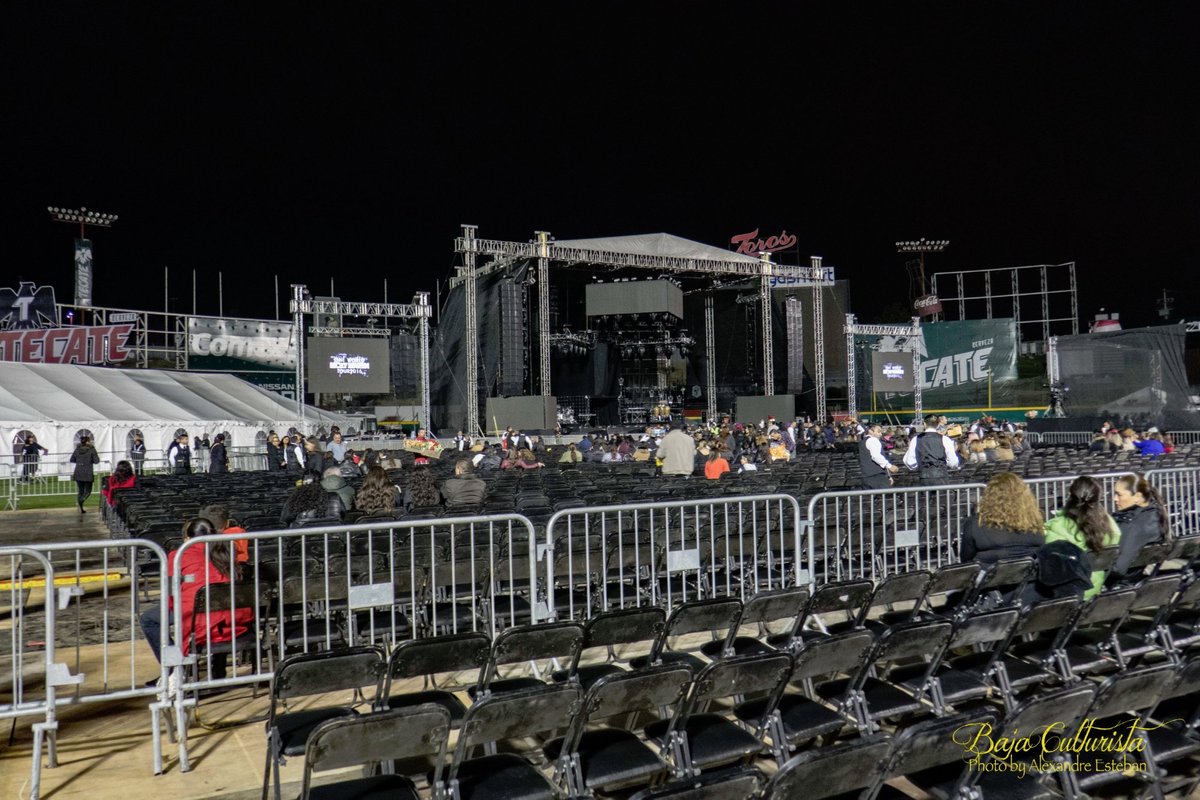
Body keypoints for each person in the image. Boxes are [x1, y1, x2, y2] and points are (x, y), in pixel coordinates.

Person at [138, 517, 253, 690]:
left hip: (201, 617)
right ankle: (215, 671)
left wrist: (176, 606)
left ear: (188, 538)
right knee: (217, 605)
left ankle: (174, 669)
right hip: (233, 615)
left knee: (149, 619)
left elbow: (171, 595)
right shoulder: (228, 549)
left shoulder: (179, 555)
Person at [1043, 475, 1122, 600]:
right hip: (1094, 589)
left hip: (1068, 593)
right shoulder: (1110, 526)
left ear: (1070, 495)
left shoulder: (1058, 525)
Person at [960, 473, 1045, 563]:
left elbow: (966, 558)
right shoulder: (1035, 520)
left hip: (989, 573)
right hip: (1029, 573)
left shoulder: (975, 523)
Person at [1109, 473, 1171, 582]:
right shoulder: (1156, 514)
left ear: (1137, 496)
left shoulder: (1135, 525)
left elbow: (1119, 568)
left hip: (1122, 581)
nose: (1114, 498)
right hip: (1134, 577)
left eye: (1119, 494)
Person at [903, 414, 961, 486]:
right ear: (937, 424)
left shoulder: (916, 439)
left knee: (926, 497)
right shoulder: (945, 439)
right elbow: (953, 462)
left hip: (924, 477)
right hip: (942, 477)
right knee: (942, 497)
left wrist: (922, 467)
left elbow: (909, 461)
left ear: (924, 424)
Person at [280, 470, 345, 526]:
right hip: (333, 535)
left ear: (302, 483)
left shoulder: (294, 498)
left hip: (302, 536)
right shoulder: (335, 496)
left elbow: (285, 519)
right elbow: (343, 513)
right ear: (321, 482)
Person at [859, 423, 899, 490]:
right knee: (885, 499)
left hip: (866, 476)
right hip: (877, 477)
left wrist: (888, 476)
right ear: (870, 431)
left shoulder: (862, 442)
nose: (880, 434)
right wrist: (890, 466)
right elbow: (876, 456)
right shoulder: (873, 440)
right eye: (878, 431)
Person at [70, 435, 100, 513]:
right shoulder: (91, 449)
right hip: (87, 472)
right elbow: (97, 461)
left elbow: (72, 459)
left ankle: (81, 507)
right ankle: (81, 501)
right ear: (87, 442)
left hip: (78, 471)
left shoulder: (77, 449)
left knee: (81, 491)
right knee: (88, 491)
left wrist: (80, 461)